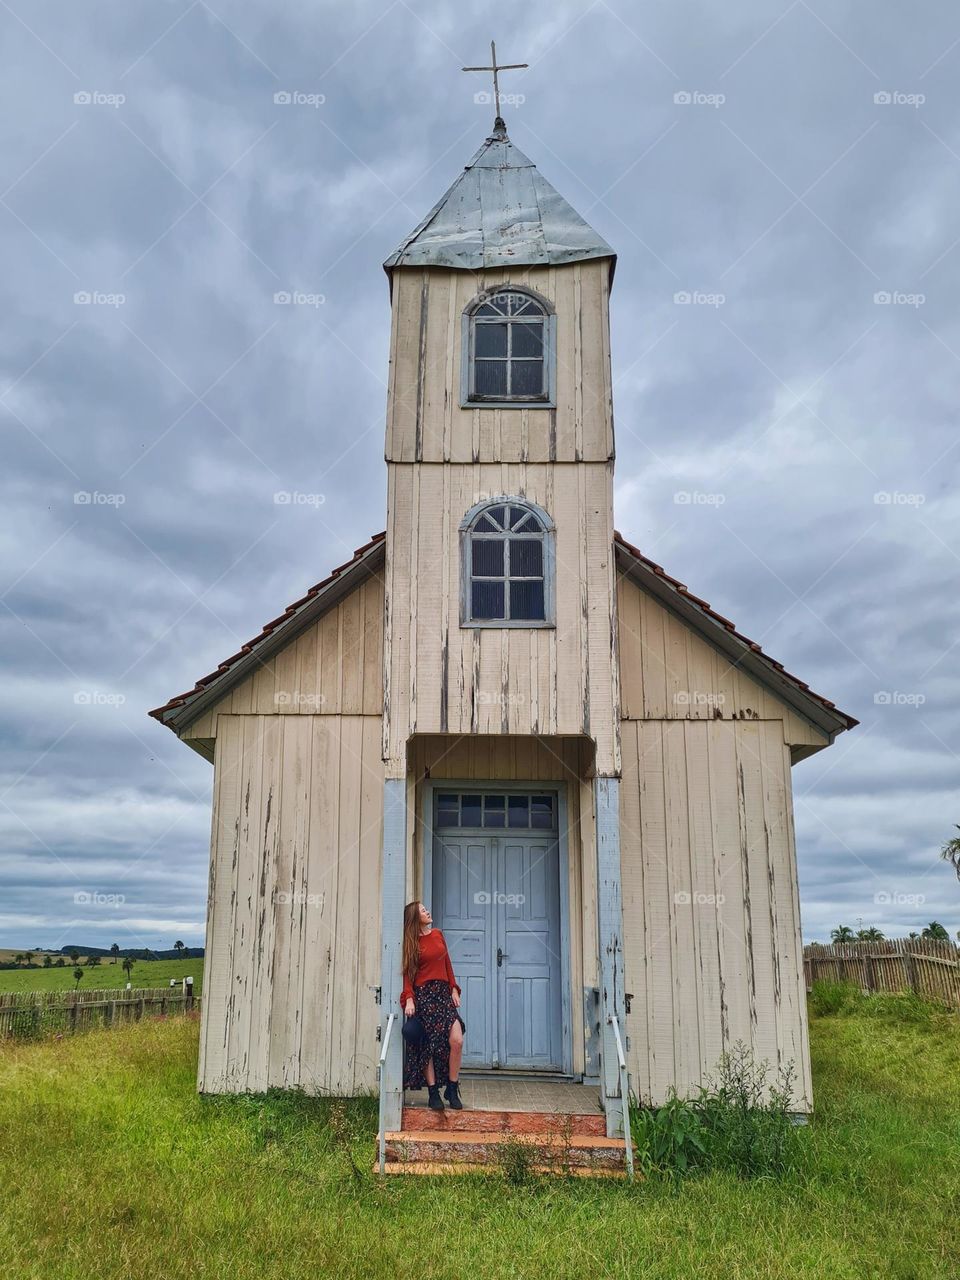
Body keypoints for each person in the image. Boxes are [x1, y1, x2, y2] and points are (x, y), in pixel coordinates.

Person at [400, 901, 465, 1110]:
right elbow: (408, 975)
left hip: (443, 995)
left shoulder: (438, 934)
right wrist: (409, 998)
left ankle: (452, 1088)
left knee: (457, 1040)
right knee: (427, 1046)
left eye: (426, 909)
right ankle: (433, 1092)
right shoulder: (411, 943)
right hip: (424, 997)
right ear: (415, 918)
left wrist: (454, 988)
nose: (427, 911)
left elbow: (447, 964)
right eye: (422, 910)